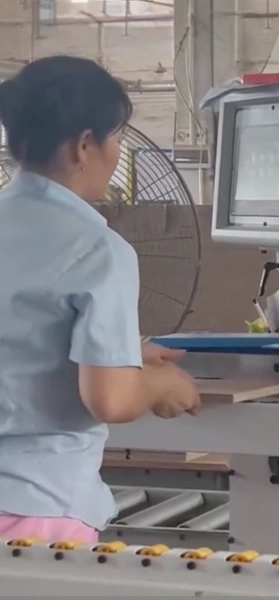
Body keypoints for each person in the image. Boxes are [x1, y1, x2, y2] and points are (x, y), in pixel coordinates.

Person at [0, 56, 201, 544]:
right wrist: (158, 384)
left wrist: (119, 354)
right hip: (36, 509)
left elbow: (20, 342)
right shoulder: (97, 249)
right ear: (84, 145)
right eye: (117, 137)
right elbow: (110, 399)